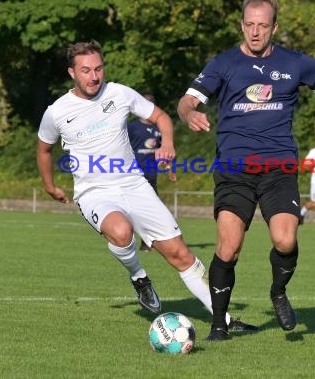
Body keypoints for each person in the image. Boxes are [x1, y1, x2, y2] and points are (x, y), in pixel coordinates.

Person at [177, 0, 315, 341]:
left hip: (279, 168)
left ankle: (278, 291)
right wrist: (190, 113)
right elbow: (187, 100)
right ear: (241, 25)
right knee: (228, 246)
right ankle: (219, 326)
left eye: (262, 25)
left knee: (284, 239)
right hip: (234, 169)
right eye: (249, 24)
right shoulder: (223, 63)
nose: (254, 32)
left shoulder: (296, 63)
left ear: (274, 27)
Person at [36, 40, 257, 333]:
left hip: (135, 185)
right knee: (121, 231)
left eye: (98, 68)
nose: (94, 76)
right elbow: (44, 150)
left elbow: (161, 117)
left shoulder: (119, 93)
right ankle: (139, 276)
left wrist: (168, 143)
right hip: (95, 193)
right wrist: (50, 186)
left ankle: (224, 320)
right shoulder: (57, 111)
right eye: (86, 70)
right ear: (71, 73)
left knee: (181, 255)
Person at [127, 93, 177, 252]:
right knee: (132, 210)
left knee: (151, 210)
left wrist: (170, 169)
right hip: (133, 175)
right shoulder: (132, 127)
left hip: (151, 174)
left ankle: (147, 243)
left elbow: (166, 150)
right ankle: (126, 240)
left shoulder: (159, 128)